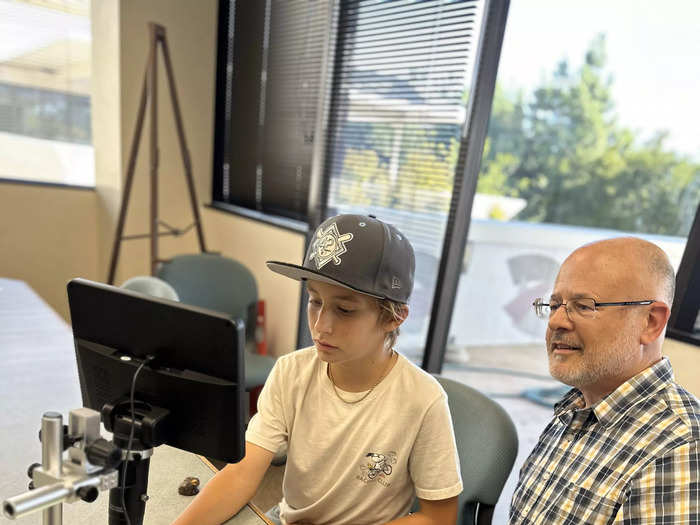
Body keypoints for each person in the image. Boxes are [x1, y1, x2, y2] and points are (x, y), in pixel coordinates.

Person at [173, 214, 462, 525]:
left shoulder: (423, 400)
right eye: (314, 301)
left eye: (345, 310)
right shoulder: (290, 373)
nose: (321, 326)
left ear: (393, 317)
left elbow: (438, 517)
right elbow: (243, 472)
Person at [509, 237, 700, 524]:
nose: (555, 322)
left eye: (584, 306)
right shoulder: (577, 407)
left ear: (651, 322)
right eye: (555, 304)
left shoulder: (679, 451)